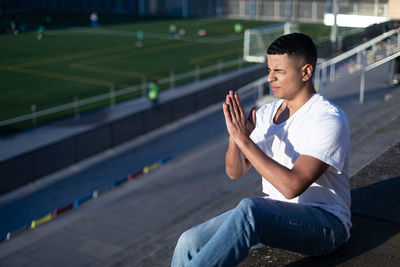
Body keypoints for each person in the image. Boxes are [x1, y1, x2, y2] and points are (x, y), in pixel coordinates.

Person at [171, 33, 351, 266]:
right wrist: (236, 138)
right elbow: (235, 172)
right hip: (274, 216)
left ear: (306, 72)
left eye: (279, 71)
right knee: (190, 240)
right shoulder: (266, 114)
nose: (270, 78)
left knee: (251, 208)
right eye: (269, 70)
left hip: (326, 225)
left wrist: (245, 141)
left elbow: (292, 186)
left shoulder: (328, 119)